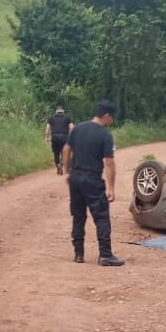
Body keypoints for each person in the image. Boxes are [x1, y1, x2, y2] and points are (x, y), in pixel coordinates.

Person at [62, 100, 125, 266]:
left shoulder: (78, 128)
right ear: (106, 116)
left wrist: (66, 171)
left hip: (75, 178)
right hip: (92, 179)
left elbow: (66, 150)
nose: (112, 121)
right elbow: (109, 162)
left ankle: (78, 254)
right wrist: (111, 188)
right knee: (101, 216)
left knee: (78, 215)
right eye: (112, 118)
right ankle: (105, 255)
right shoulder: (105, 135)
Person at [44, 105, 74, 175]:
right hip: (64, 137)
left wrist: (46, 137)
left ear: (56, 111)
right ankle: (62, 163)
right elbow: (72, 127)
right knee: (64, 152)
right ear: (63, 110)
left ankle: (58, 165)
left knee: (56, 153)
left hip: (54, 137)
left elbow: (48, 128)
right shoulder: (67, 117)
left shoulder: (51, 117)